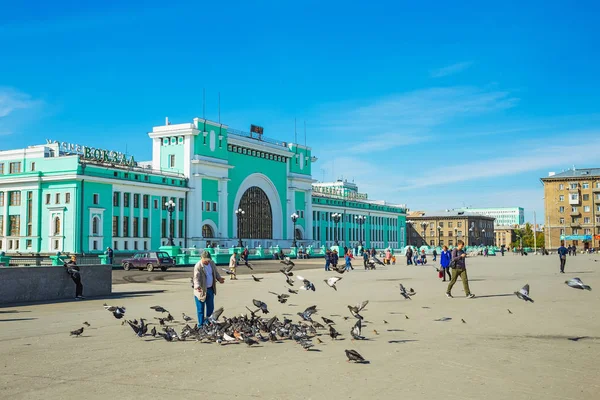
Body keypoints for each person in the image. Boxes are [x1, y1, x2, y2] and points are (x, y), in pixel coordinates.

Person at [193, 251, 225, 327]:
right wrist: (197, 287)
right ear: (201, 258)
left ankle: (208, 323)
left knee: (210, 308)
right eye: (206, 260)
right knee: (200, 309)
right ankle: (200, 325)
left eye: (208, 260)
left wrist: (219, 278)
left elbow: (215, 272)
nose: (207, 262)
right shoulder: (198, 266)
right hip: (201, 290)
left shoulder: (212, 263)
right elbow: (196, 278)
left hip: (210, 289)